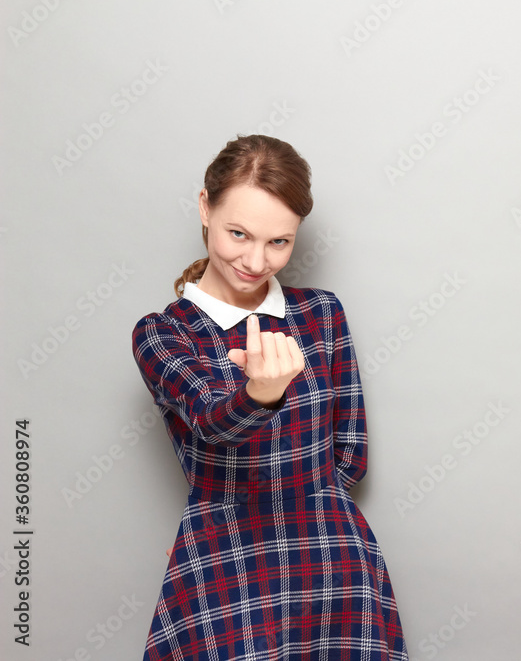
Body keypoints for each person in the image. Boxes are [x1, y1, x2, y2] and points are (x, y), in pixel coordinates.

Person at [131, 134, 408, 660]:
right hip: (224, 556)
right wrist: (261, 394)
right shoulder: (164, 333)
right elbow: (212, 424)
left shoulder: (321, 313)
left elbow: (351, 456)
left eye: (279, 242)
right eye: (239, 233)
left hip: (332, 561)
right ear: (205, 208)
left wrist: (312, 508)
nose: (256, 261)